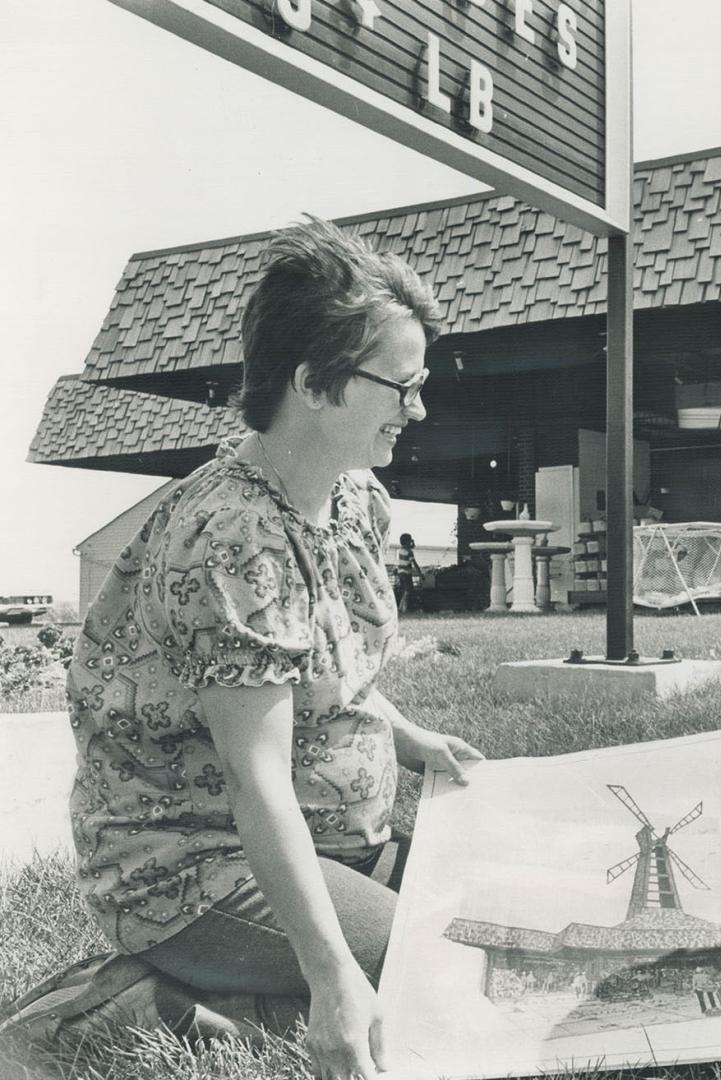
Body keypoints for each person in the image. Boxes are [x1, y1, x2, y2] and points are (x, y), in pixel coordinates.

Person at [56, 218, 483, 1080]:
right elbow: (256, 781)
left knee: (493, 910)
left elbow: (319, 669)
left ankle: (253, 992)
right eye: (401, 386)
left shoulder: (353, 497)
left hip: (329, 844)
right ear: (314, 386)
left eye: (422, 381)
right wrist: (330, 977)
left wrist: (409, 737)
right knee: (450, 963)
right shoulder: (234, 536)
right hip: (194, 866)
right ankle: (149, 1002)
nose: (420, 407)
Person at [396, 532, 422, 613]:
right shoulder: (409, 552)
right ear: (408, 541)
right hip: (406, 573)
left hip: (400, 572)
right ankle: (402, 608)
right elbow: (414, 563)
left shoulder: (399, 550)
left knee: (404, 590)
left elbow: (411, 547)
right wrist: (420, 573)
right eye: (410, 540)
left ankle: (401, 607)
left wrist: (412, 542)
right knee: (408, 591)